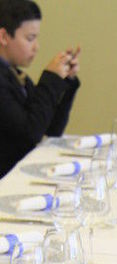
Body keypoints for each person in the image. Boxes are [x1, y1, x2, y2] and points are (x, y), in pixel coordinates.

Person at [0, 0, 81, 178]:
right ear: (4, 37)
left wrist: (65, 83)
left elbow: (50, 129)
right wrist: (50, 79)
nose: (36, 47)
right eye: (30, 38)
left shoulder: (16, 76)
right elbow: (30, 133)